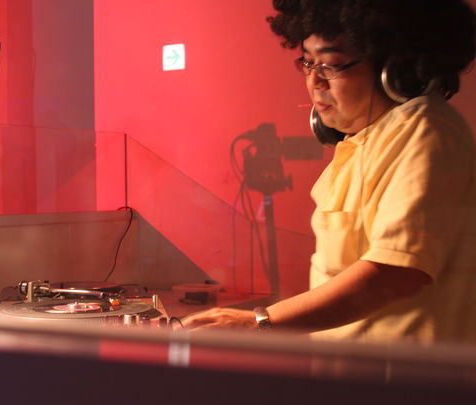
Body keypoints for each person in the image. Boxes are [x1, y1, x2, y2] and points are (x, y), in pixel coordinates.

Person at [182, 0, 476, 343]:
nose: (314, 81)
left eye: (332, 65)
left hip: (405, 375)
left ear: (400, 69)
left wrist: (261, 321)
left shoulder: (424, 129)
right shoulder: (362, 140)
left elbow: (396, 273)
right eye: (308, 62)